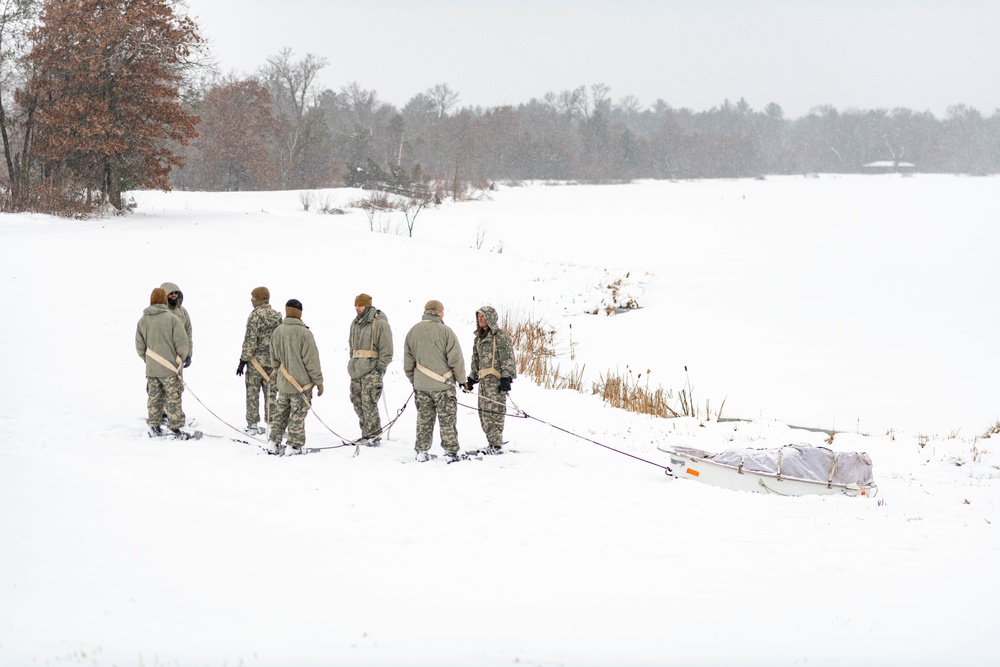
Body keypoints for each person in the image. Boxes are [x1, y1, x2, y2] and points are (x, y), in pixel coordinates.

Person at [403, 300, 467, 462]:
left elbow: (408, 362)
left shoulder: (413, 332)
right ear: (440, 312)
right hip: (444, 386)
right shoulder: (446, 331)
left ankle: (421, 452)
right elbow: (456, 360)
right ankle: (451, 452)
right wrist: (461, 380)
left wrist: (416, 380)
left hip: (421, 387)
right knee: (447, 420)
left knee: (424, 419)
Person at [268, 298, 324, 455]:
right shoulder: (305, 334)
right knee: (297, 416)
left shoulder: (277, 331)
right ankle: (294, 446)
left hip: (283, 384)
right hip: (301, 386)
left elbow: (273, 359)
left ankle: (273, 442)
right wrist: (319, 382)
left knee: (281, 414)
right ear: (300, 313)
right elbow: (312, 361)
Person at [136, 287, 192, 438]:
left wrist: (149, 361)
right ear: (164, 299)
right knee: (173, 398)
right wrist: (178, 360)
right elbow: (182, 344)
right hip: (170, 369)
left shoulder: (142, 320)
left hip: (152, 370)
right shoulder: (173, 319)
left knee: (154, 397)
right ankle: (175, 428)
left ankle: (154, 426)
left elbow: (139, 346)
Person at [463, 305, 517, 454]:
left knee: (495, 414)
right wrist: (471, 380)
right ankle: (492, 443)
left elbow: (508, 359)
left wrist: (507, 378)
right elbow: (476, 362)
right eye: (478, 317)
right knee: (484, 414)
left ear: (490, 318)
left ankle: (496, 445)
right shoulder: (478, 339)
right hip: (484, 383)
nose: (480, 319)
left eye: (483, 316)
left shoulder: (500, 337)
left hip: (496, 382)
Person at [348, 293, 393, 446]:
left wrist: (379, 369)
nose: (357, 308)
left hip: (372, 370)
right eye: (355, 305)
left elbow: (387, 350)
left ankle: (373, 436)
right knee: (357, 401)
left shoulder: (379, 323)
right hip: (356, 370)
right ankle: (366, 433)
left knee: (369, 403)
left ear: (367, 305)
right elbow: (352, 347)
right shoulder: (355, 324)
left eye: (359, 305)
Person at [237, 286, 282, 435]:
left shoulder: (254, 316)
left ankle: (253, 425)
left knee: (252, 393)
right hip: (273, 362)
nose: (251, 299)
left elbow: (250, 341)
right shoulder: (277, 316)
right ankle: (272, 425)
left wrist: (243, 361)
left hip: (256, 363)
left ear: (260, 299)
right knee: (271, 394)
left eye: (253, 297)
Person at [160, 282, 192, 368]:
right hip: (160, 358)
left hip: (178, 358)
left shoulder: (183, 312)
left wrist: (189, 354)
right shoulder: (158, 311)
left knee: (177, 381)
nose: (174, 295)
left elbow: (188, 333)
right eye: (171, 293)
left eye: (176, 293)